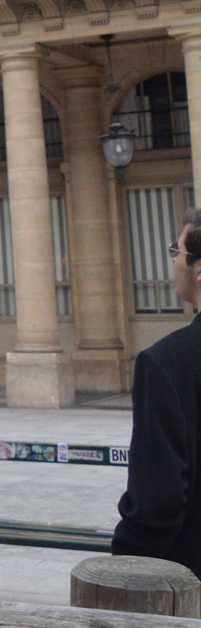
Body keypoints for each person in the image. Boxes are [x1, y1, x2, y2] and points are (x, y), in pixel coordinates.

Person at [113, 210, 201, 578]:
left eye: (176, 252)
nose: (174, 262)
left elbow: (157, 503)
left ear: (198, 268)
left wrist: (125, 565)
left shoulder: (166, 363)